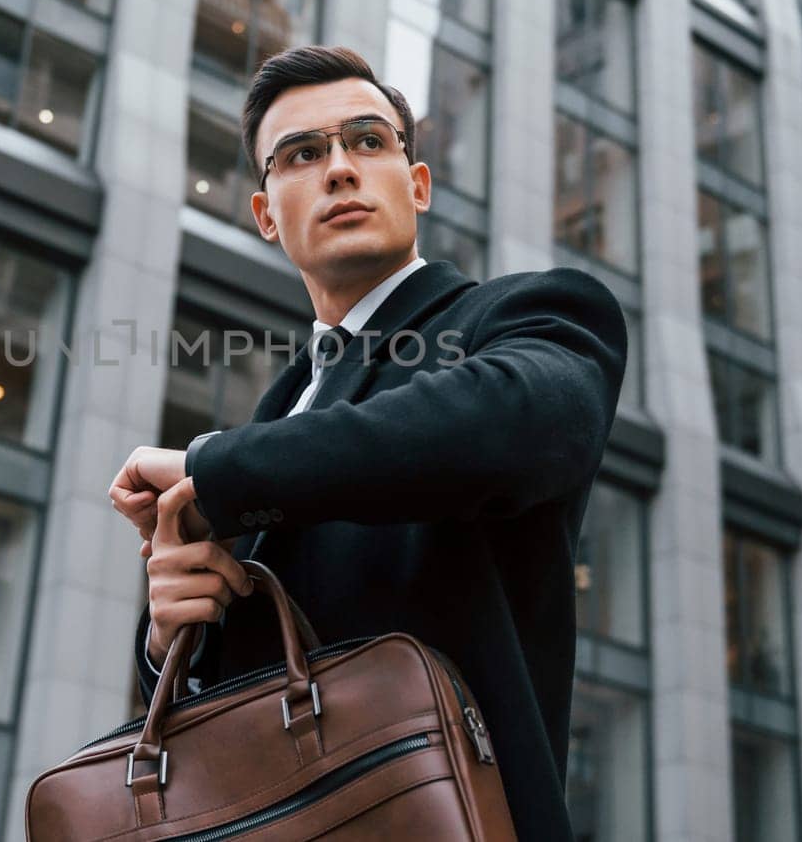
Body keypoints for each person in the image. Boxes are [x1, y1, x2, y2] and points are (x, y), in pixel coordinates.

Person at [107, 44, 627, 839]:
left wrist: (214, 469)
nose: (340, 169)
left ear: (415, 186)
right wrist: (170, 635)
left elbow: (505, 425)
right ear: (266, 215)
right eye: (303, 154)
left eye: (368, 142)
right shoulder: (278, 416)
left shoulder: (527, 316)